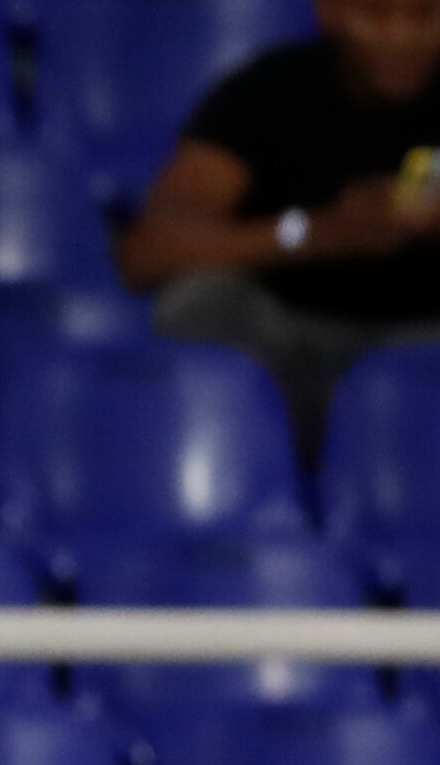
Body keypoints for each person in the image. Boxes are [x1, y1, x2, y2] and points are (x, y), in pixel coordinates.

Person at [120, 0, 440, 456]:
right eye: (377, 14)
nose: (402, 36)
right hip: (286, 347)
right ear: (331, 11)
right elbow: (149, 252)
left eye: (425, 15)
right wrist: (315, 233)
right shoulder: (269, 91)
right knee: (197, 303)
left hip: (424, 351)